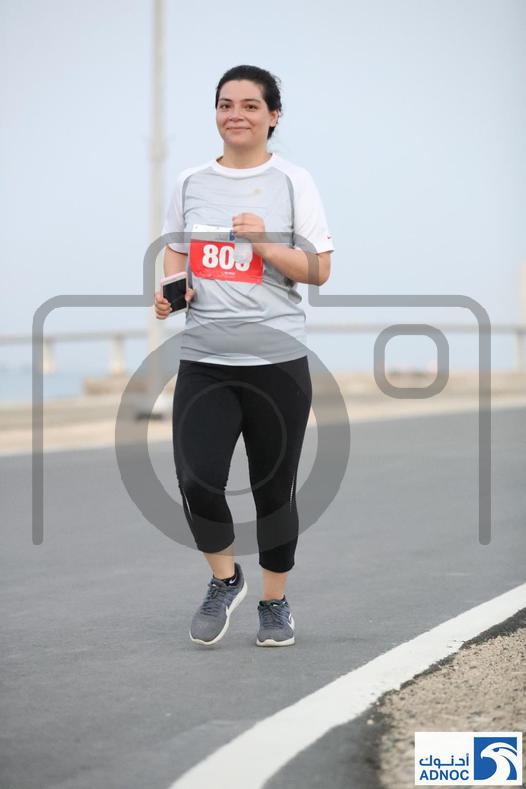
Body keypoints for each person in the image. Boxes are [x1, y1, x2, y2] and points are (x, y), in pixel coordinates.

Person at [155, 64, 334, 647]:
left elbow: (319, 270)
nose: (236, 114)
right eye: (226, 104)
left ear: (273, 116)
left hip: (277, 363)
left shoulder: (293, 182)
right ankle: (225, 579)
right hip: (205, 359)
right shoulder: (189, 182)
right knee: (196, 479)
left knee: (272, 491)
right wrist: (173, 290)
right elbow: (176, 251)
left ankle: (274, 603)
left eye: (251, 105)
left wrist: (264, 243)